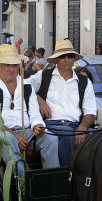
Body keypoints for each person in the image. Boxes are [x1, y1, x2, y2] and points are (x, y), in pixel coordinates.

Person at [0, 44, 59, 176]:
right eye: (7, 65)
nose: (12, 69)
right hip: (2, 132)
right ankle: (23, 183)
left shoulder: (26, 84)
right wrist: (16, 136)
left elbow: (34, 114)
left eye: (15, 65)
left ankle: (49, 181)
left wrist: (38, 126)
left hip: (26, 131)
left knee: (51, 138)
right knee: (5, 139)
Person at [27, 39, 97, 167]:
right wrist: (39, 99)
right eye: (62, 56)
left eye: (70, 56)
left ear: (74, 59)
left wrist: (82, 128)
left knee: (101, 138)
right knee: (66, 134)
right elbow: (24, 87)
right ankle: (66, 176)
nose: (66, 59)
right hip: (51, 125)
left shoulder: (84, 81)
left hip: (76, 126)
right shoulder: (43, 75)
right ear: (56, 59)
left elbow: (90, 111)